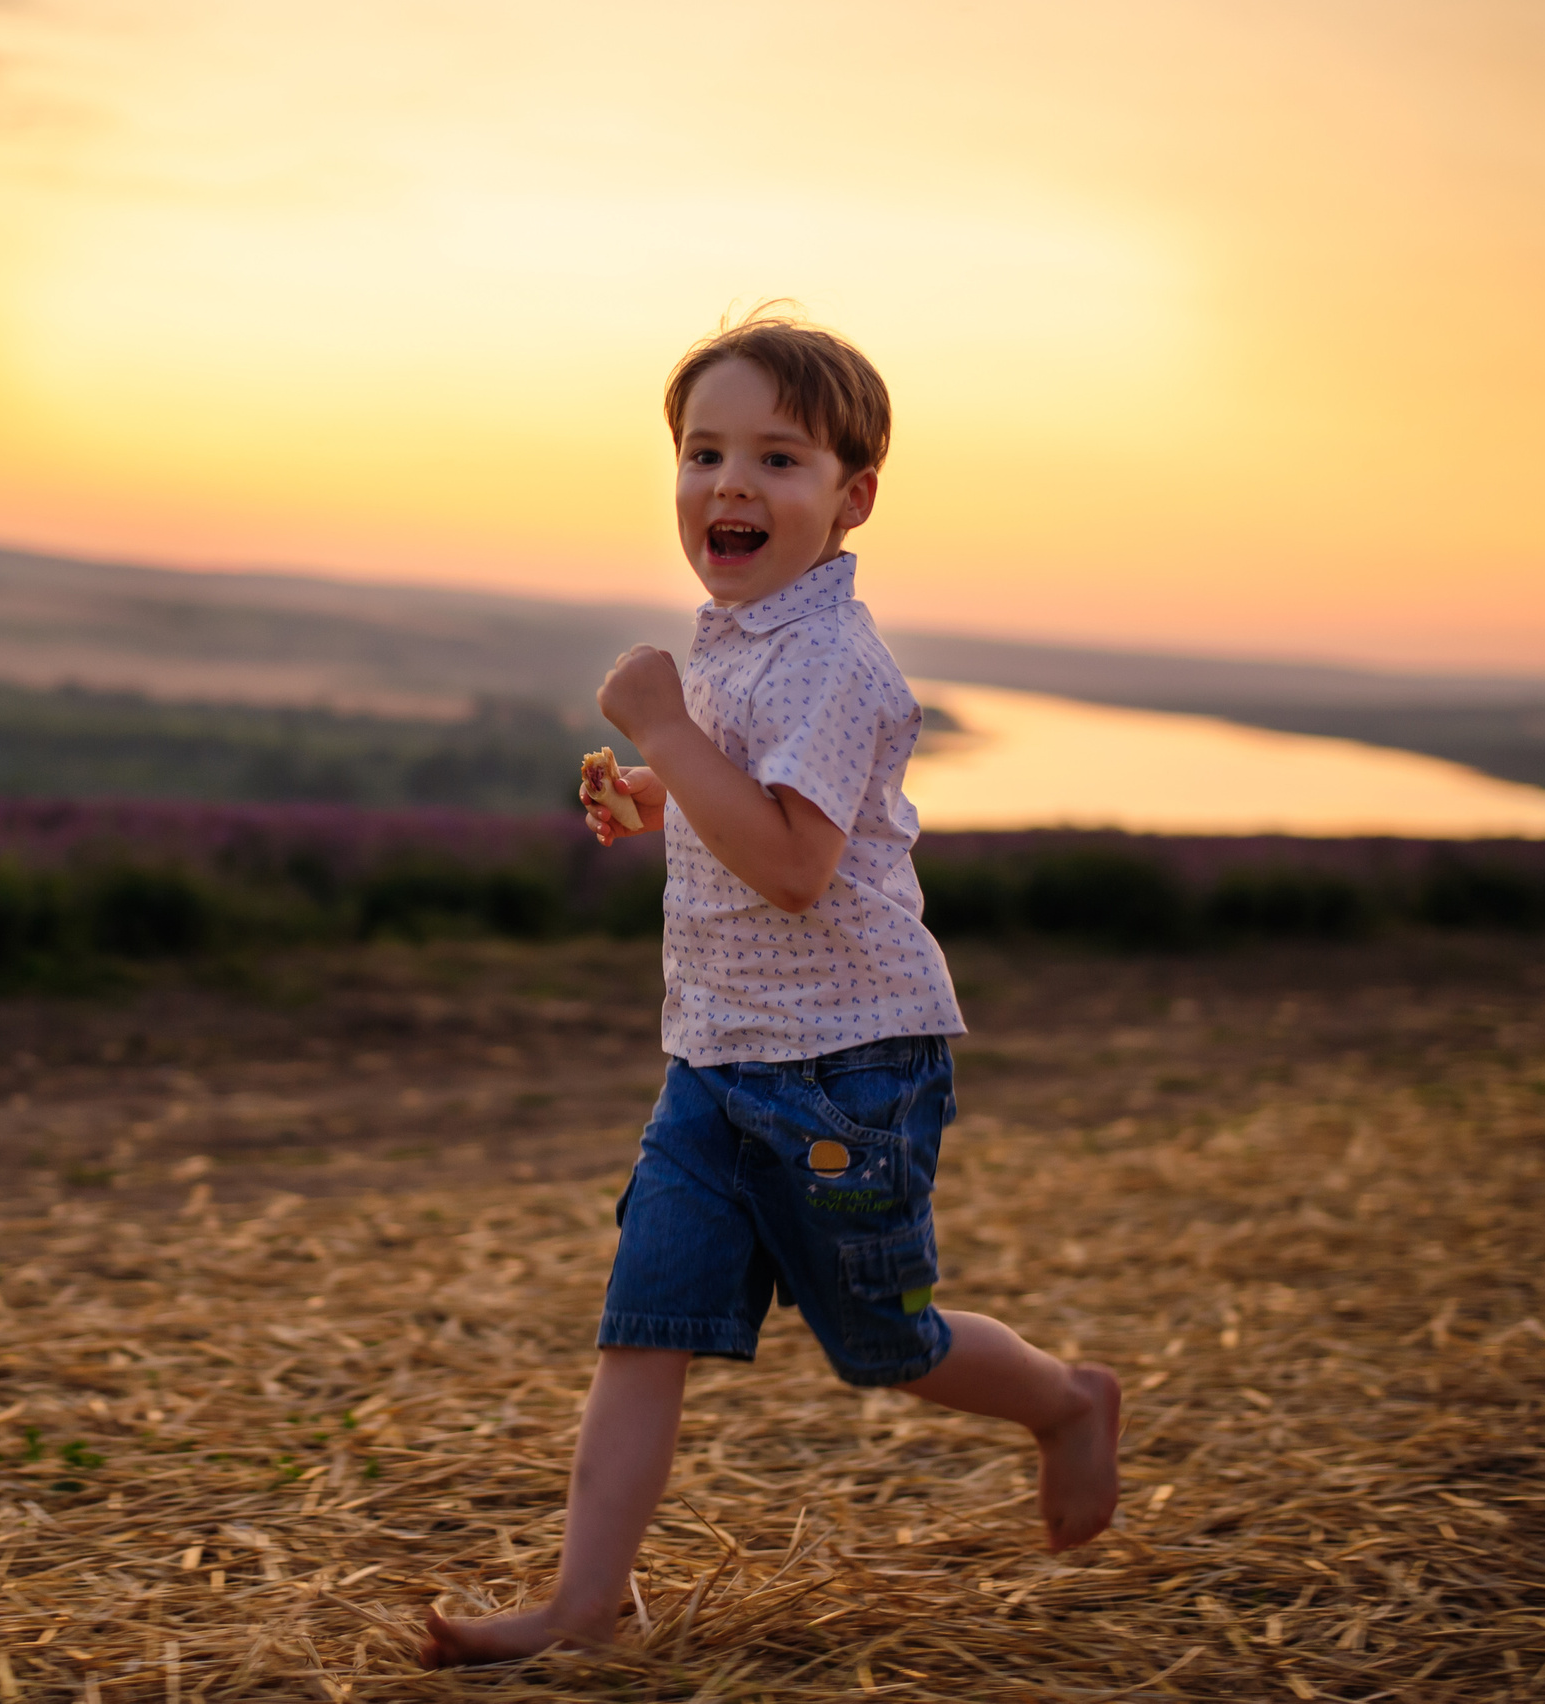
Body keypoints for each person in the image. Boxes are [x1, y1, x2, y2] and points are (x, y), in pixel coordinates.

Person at [417, 311, 1122, 1669]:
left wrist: (667, 729)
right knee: (646, 1326)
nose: (730, 485)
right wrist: (657, 787)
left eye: (779, 459)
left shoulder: (835, 661)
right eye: (703, 452)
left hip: (845, 1068)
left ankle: (1064, 1401)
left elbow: (798, 866)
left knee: (886, 1346)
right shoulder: (738, 631)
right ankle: (580, 1610)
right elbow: (747, 795)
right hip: (715, 1063)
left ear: (853, 498)